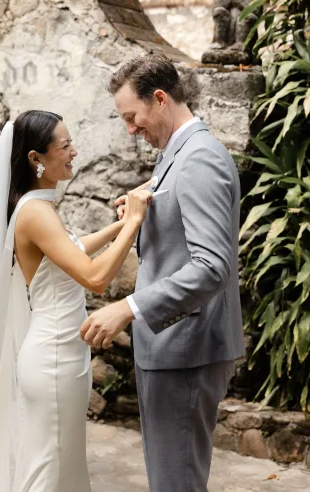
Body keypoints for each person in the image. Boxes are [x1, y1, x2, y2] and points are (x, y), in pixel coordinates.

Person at [80, 53, 246, 492]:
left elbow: (211, 266)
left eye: (132, 117)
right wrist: (144, 211)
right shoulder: (181, 152)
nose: (130, 129)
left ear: (159, 99)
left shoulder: (198, 159)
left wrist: (128, 308)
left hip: (184, 348)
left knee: (176, 483)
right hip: (174, 346)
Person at [0, 109, 152, 492]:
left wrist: (120, 224)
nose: (74, 152)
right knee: (47, 473)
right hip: (52, 359)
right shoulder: (34, 213)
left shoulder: (39, 206)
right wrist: (133, 224)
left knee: (63, 467)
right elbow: (95, 278)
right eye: (65, 146)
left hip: (64, 355)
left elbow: (73, 248)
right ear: (35, 158)